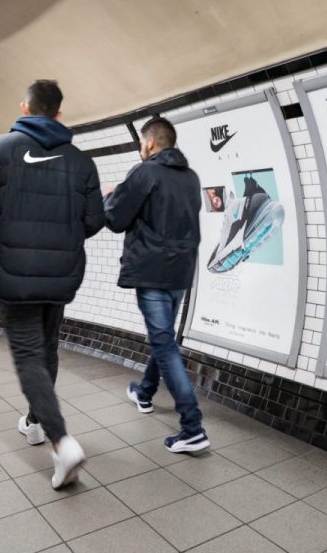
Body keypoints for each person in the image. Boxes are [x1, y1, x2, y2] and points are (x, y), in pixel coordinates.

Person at [0, 79, 104, 488]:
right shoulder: (82, 162)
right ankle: (34, 421)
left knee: (28, 355)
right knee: (47, 348)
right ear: (59, 114)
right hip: (60, 273)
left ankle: (62, 442)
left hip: (15, 271)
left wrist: (11, 226)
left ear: (24, 108)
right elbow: (94, 221)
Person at [103, 117, 209, 453]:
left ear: (149, 143)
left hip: (151, 270)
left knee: (163, 344)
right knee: (163, 338)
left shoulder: (144, 172)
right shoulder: (191, 178)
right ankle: (144, 392)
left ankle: (192, 427)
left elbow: (116, 219)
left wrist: (110, 197)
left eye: (141, 144)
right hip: (180, 272)